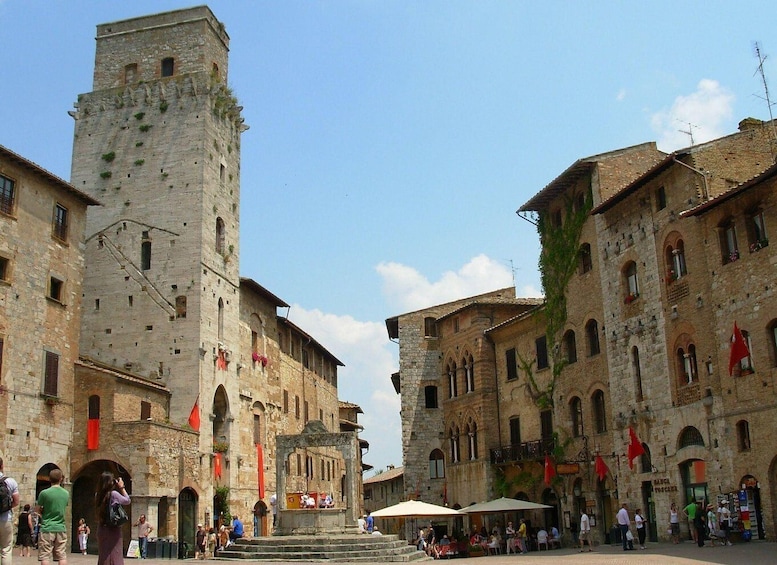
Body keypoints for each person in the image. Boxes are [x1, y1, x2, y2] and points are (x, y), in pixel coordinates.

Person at [95, 472, 130, 565]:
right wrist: (122, 487)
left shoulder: (97, 495)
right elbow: (127, 500)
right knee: (115, 554)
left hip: (102, 528)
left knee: (104, 555)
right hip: (113, 529)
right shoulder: (113, 494)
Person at [37, 468, 69, 565]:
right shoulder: (66, 493)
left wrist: (43, 513)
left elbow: (38, 510)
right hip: (61, 527)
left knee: (45, 556)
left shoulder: (44, 493)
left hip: (47, 526)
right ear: (61, 479)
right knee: (61, 555)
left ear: (49, 479)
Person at [0, 457, 20, 565]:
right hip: (5, 518)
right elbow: (16, 501)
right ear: (2, 466)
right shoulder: (10, 481)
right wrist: (7, 507)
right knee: (6, 549)